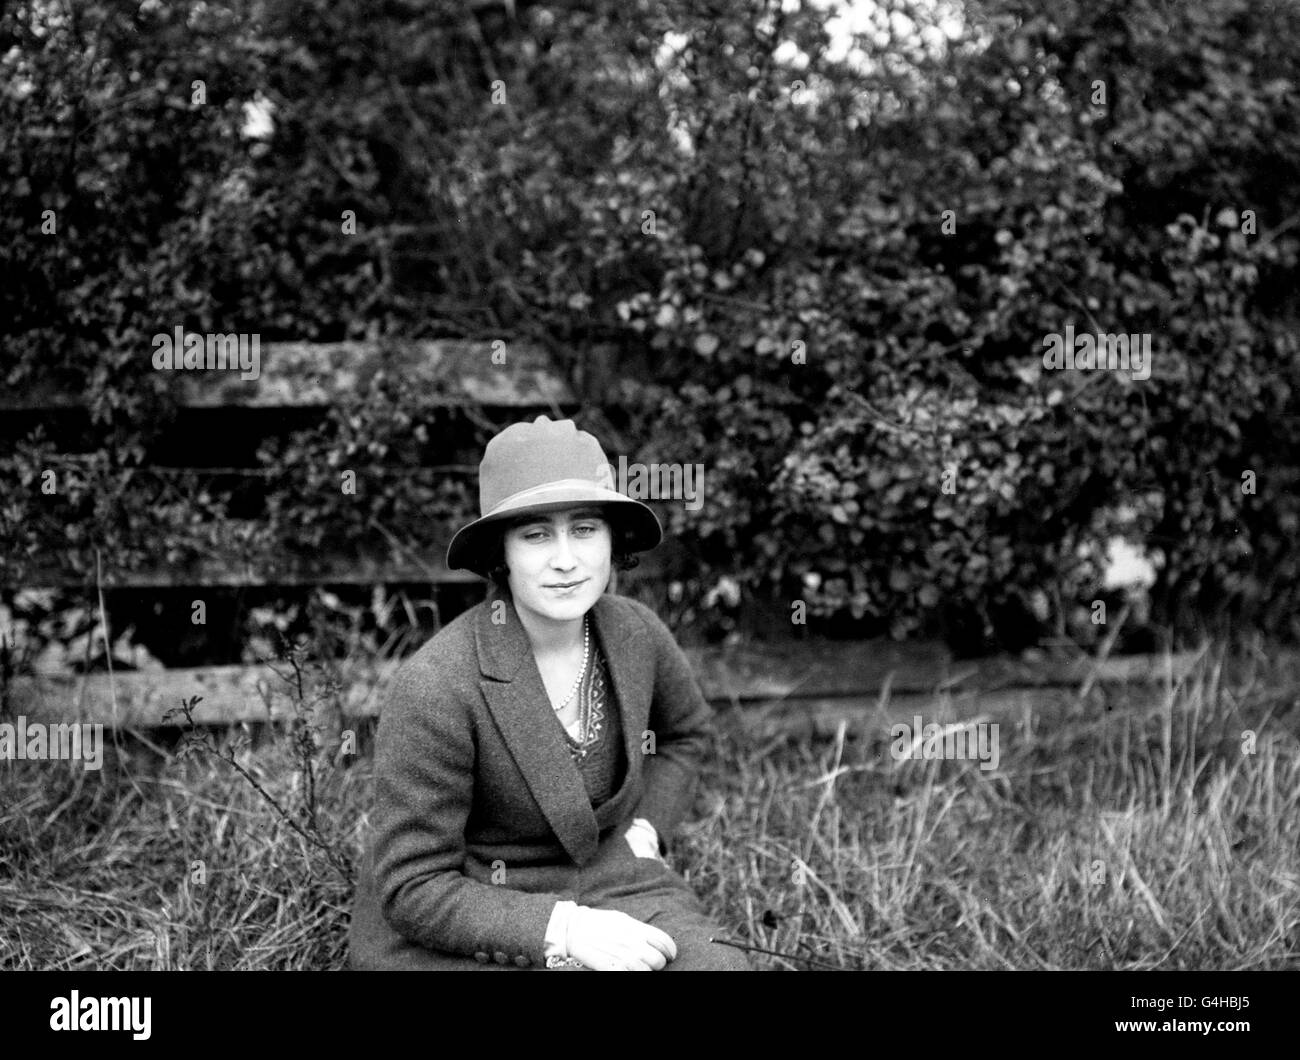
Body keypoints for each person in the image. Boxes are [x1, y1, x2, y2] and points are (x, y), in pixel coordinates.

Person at [348, 415, 750, 970]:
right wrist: (560, 930)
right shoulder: (437, 685)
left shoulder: (635, 632)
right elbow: (414, 885)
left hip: (613, 877)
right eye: (536, 535)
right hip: (481, 900)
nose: (566, 559)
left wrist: (647, 825)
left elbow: (686, 733)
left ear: (612, 541)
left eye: (584, 529)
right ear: (501, 554)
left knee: (720, 967)